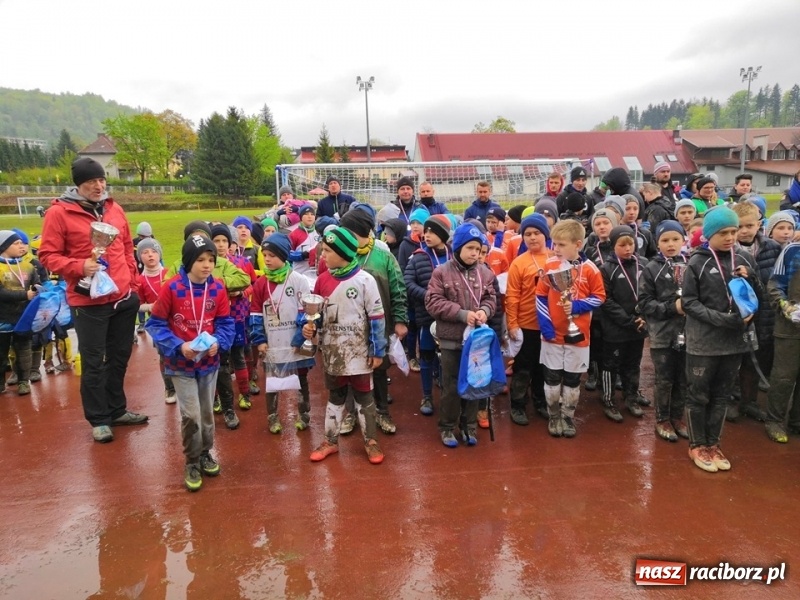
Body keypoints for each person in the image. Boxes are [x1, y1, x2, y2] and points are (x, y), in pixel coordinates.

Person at [39, 157, 147, 444]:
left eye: (101, 180)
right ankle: (99, 419)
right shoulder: (59, 213)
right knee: (94, 362)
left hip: (123, 298)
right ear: (79, 185)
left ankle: (117, 409)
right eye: (91, 182)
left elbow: (126, 246)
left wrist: (132, 282)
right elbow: (47, 256)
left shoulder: (114, 208)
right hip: (88, 302)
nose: (99, 186)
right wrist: (79, 267)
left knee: (120, 358)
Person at [146, 234, 235, 491]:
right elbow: (156, 324)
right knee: (191, 416)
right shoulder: (172, 288)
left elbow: (225, 323)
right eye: (200, 260)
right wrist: (178, 346)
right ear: (188, 261)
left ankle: (206, 452)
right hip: (180, 365)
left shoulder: (217, 288)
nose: (207, 265)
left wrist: (219, 341)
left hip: (208, 364)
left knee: (207, 415)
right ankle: (192, 459)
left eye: (211, 260)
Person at [682, 207, 759, 472]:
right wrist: (722, 319)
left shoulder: (745, 258)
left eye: (734, 231)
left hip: (733, 343)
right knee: (698, 396)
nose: (730, 237)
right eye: (723, 232)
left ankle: (713, 444)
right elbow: (689, 302)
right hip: (703, 342)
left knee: (722, 396)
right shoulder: (696, 262)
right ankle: (697, 445)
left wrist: (751, 280)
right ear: (710, 234)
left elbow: (757, 296)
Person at [303, 227, 386, 465]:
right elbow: (313, 315)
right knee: (336, 395)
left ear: (344, 253)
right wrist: (309, 329)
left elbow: (377, 318)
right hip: (333, 352)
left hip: (359, 353)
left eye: (327, 251)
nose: (322, 255)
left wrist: (377, 351)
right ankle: (330, 441)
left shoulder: (365, 280)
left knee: (364, 396)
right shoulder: (321, 280)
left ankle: (371, 441)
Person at [425, 223, 497, 447]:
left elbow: (491, 298)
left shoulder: (485, 273)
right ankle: (447, 427)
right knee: (452, 384)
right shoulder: (441, 272)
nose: (475, 253)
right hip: (452, 340)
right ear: (457, 248)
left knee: (475, 384)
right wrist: (462, 314)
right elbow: (433, 302)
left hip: (476, 341)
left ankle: (469, 426)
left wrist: (485, 312)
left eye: (478, 248)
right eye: (470, 248)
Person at [338, 208, 408, 435]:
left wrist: (400, 320)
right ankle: (351, 414)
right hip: (349, 325)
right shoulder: (341, 254)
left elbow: (398, 289)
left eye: (348, 231)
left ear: (361, 231)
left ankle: (383, 412)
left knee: (378, 370)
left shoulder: (383, 255)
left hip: (379, 323)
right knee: (350, 369)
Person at [536, 220, 605, 438]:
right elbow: (540, 296)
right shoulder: (550, 266)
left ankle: (567, 416)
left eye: (560, 244)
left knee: (573, 379)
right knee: (552, 377)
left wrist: (576, 306)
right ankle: (553, 415)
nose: (555, 249)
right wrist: (546, 325)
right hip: (552, 335)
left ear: (577, 244)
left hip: (578, 335)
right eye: (553, 243)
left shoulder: (591, 270)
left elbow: (600, 298)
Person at [249, 233, 316, 434]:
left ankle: (303, 414)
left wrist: (300, 337)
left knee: (301, 379)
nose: (267, 259)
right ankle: (273, 417)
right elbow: (254, 314)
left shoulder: (299, 280)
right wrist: (259, 340)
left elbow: (308, 311)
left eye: (272, 255)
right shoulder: (261, 284)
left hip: (297, 341)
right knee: (272, 380)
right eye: (265, 255)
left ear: (284, 255)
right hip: (273, 342)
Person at [639, 221, 689, 441]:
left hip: (689, 333)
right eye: (665, 240)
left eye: (675, 239)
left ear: (683, 240)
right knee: (665, 378)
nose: (671, 244)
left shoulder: (692, 264)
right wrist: (672, 308)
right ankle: (662, 419)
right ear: (657, 243)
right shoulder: (651, 269)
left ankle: (678, 417)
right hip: (661, 333)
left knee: (683, 378)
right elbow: (645, 303)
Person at [731, 202, 781, 422]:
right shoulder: (727, 250)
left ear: (759, 224)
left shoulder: (773, 248)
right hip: (737, 316)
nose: (744, 230)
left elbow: (777, 280)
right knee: (733, 362)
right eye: (739, 226)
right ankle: (730, 400)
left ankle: (748, 402)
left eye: (749, 225)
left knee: (754, 362)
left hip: (764, 316)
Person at [505, 214, 553, 425]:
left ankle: (540, 402)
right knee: (523, 367)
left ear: (545, 235)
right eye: (527, 234)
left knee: (543, 367)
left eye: (537, 233)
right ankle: (517, 404)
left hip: (549, 326)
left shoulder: (554, 259)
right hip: (526, 325)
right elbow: (512, 295)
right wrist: (513, 324)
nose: (532, 238)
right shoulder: (519, 263)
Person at [405, 215, 452, 416]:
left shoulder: (454, 256)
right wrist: (429, 297)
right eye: (427, 231)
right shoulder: (418, 256)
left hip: (450, 317)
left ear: (443, 235)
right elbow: (407, 282)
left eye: (432, 231)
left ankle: (445, 392)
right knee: (426, 354)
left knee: (448, 357)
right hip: (426, 316)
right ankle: (426, 395)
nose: (427, 235)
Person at [599, 226, 647, 421]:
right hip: (615, 328)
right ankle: (608, 400)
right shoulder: (606, 268)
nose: (628, 248)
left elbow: (649, 292)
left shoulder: (643, 264)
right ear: (613, 245)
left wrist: (643, 316)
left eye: (631, 244)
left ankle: (631, 396)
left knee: (633, 363)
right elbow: (605, 299)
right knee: (610, 365)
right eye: (622, 245)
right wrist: (627, 320)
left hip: (638, 326)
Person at [209, 224, 253, 427]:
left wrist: (240, 292)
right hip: (214, 319)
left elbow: (251, 283)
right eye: (216, 241)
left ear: (231, 243)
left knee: (238, 355)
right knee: (217, 359)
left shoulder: (240, 262)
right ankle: (217, 398)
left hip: (236, 315)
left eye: (224, 241)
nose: (220, 245)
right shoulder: (207, 264)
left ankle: (244, 394)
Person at [764, 242, 800, 443]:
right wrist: (785, 307)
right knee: (784, 377)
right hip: (790, 328)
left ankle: (797, 421)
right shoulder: (792, 251)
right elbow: (775, 284)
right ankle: (774, 421)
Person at [135, 237, 175, 404]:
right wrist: (151, 306)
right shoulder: (139, 280)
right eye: (145, 252)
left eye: (153, 251)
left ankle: (185, 382)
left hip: (177, 320)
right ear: (139, 257)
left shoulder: (169, 273)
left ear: (159, 254)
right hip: (158, 323)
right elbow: (138, 305)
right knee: (164, 355)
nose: (150, 255)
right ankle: (170, 388)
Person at [0, 230, 39, 396]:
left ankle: (24, 382)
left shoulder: (29, 266)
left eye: (21, 243)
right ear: (4, 246)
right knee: (1, 354)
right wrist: (25, 295)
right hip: (3, 318)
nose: (21, 246)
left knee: (24, 352)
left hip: (24, 317)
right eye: (16, 243)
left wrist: (38, 290)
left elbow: (36, 284)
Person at [288, 203, 317, 276]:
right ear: (301, 217)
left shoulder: (319, 232)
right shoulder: (294, 234)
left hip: (315, 273)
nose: (310, 216)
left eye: (312, 214)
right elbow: (287, 254)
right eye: (306, 214)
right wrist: (303, 255)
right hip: (299, 273)